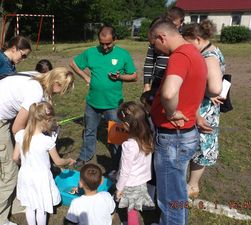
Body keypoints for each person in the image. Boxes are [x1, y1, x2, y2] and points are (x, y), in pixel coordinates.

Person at [0, 67, 74, 225]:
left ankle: (17, 203)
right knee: (7, 174)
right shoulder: (35, 92)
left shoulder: (40, 78)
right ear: (55, 82)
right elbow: (17, 128)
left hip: (1, 115)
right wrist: (36, 137)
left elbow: (43, 106)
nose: (61, 94)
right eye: (62, 89)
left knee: (15, 165)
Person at [148, 20, 207, 225]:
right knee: (177, 188)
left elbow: (169, 92)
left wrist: (171, 112)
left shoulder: (179, 56)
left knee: (169, 195)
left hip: (173, 138)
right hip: (185, 135)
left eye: (154, 44)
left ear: (162, 37)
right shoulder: (194, 52)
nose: (155, 49)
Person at [69, 25, 137, 168]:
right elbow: (73, 63)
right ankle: (85, 156)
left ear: (115, 40)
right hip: (92, 103)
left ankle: (118, 160)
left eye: (108, 44)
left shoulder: (123, 54)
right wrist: (86, 77)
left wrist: (120, 76)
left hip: (113, 103)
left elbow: (134, 76)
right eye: (102, 43)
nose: (105, 47)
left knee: (116, 134)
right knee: (89, 131)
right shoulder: (91, 52)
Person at [12, 102, 76, 225]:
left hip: (25, 175)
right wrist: (68, 160)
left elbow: (15, 157)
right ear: (46, 121)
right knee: (41, 207)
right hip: (41, 178)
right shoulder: (47, 141)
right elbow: (58, 161)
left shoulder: (21, 135)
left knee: (30, 205)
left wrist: (24, 165)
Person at [182, 20, 225, 198]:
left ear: (197, 39)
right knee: (200, 148)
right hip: (206, 109)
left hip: (204, 109)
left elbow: (215, 88)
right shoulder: (212, 50)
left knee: (199, 148)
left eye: (188, 41)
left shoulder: (208, 57)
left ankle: (191, 186)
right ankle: (192, 185)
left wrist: (205, 91)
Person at [115, 101, 155, 225]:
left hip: (130, 183)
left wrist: (119, 188)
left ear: (127, 124)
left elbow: (125, 170)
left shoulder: (129, 145)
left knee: (131, 210)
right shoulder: (147, 137)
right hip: (142, 180)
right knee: (135, 206)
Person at [143, 7, 185, 94]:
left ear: (181, 22)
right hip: (158, 80)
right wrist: (147, 84)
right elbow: (149, 61)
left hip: (175, 81)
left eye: (175, 25)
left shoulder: (184, 39)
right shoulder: (157, 38)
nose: (173, 27)